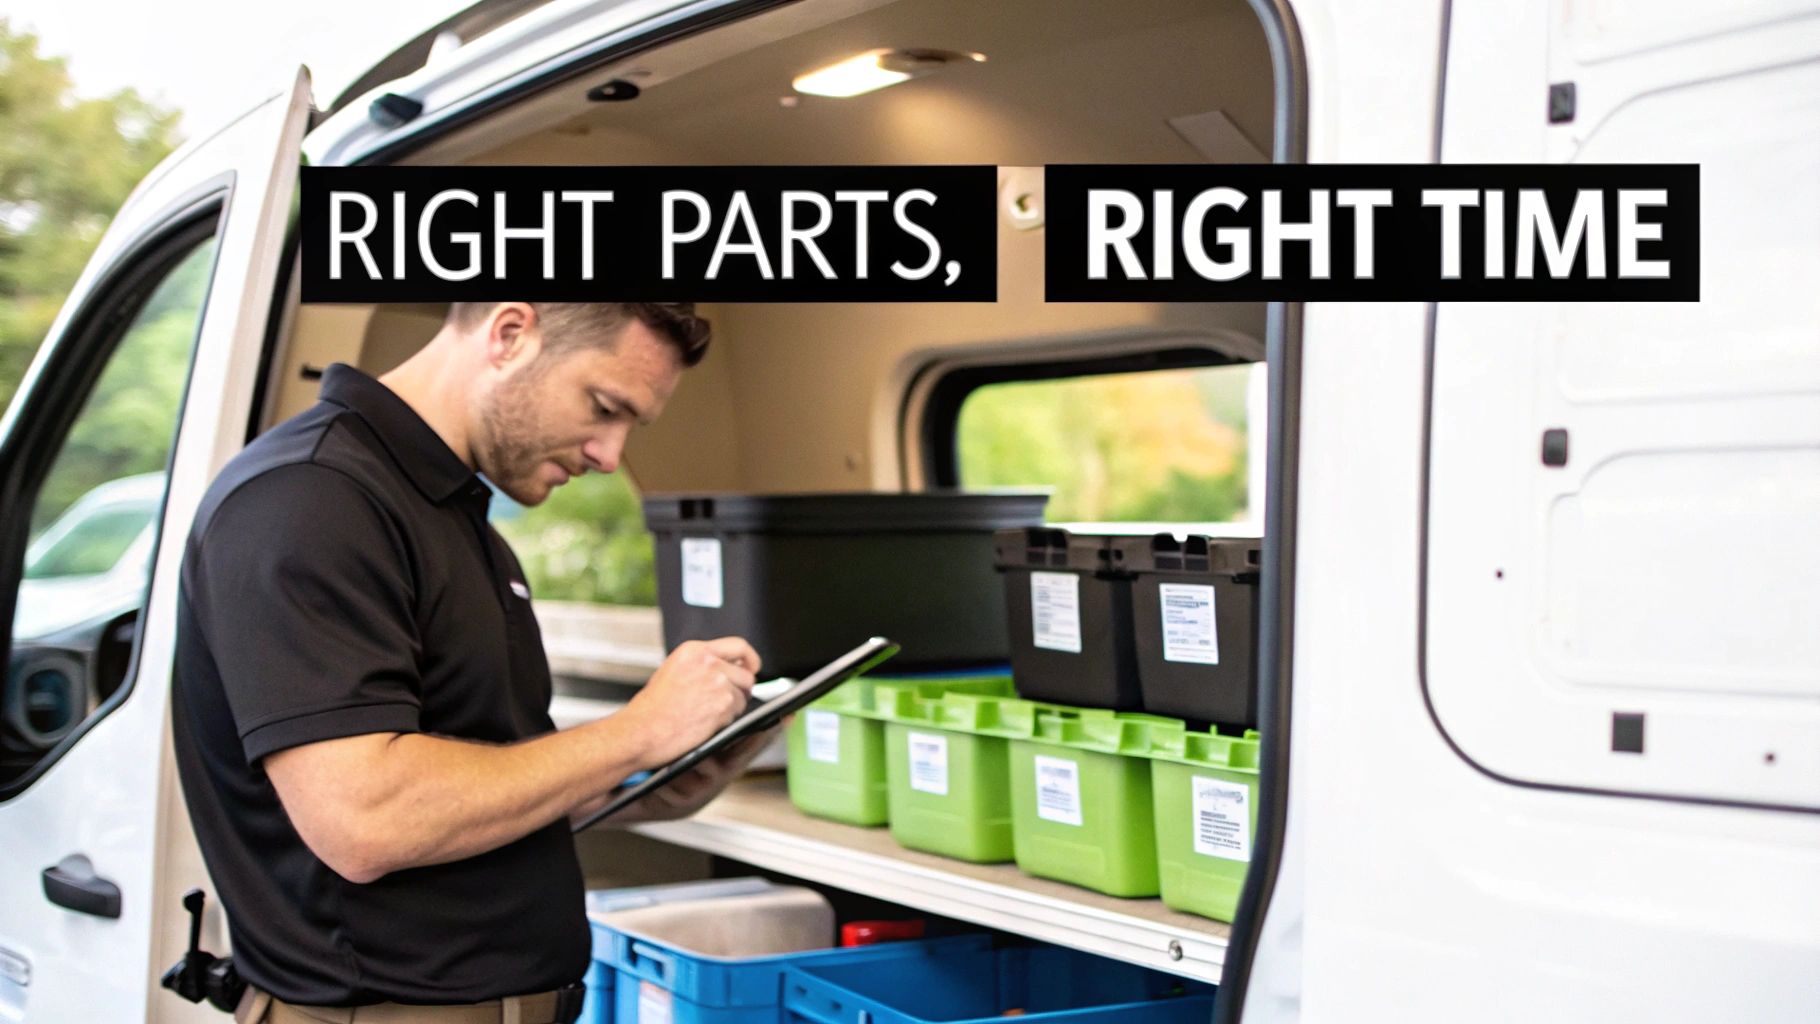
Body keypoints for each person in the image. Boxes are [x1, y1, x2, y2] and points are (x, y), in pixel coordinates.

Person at [172, 302, 768, 1024]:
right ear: (511, 334)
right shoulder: (308, 499)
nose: (610, 455)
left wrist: (654, 778)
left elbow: (484, 769)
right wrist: (637, 731)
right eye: (604, 407)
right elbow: (366, 818)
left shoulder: (458, 520)